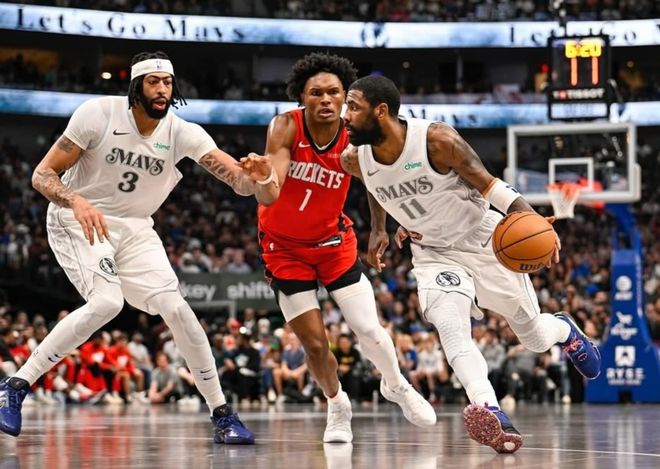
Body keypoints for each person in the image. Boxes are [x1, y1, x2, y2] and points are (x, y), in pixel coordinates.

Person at [0, 51, 280, 443]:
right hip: (79, 218)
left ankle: (222, 414)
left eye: (167, 82)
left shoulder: (183, 132)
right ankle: (15, 386)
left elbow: (241, 183)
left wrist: (262, 177)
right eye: (153, 82)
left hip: (135, 229)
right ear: (136, 87)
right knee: (107, 302)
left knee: (178, 310)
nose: (162, 89)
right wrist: (76, 200)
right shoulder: (98, 114)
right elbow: (42, 174)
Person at [341, 74, 601, 453]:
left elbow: (490, 184)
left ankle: (564, 330)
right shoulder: (354, 159)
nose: (345, 115)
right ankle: (490, 409)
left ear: (381, 111)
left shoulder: (437, 141)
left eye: (353, 106)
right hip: (432, 252)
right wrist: (380, 227)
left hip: (482, 239)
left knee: (534, 338)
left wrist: (531, 219)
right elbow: (374, 183)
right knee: (451, 327)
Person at [238, 52, 435, 443]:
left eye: (334, 92)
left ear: (346, 97)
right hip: (284, 249)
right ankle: (337, 404)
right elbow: (271, 192)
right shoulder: (285, 126)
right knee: (314, 345)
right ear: (302, 97)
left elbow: (374, 180)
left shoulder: (354, 136)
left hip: (333, 244)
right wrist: (262, 180)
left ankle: (396, 385)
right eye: (316, 93)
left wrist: (378, 228)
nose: (326, 99)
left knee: (368, 329)